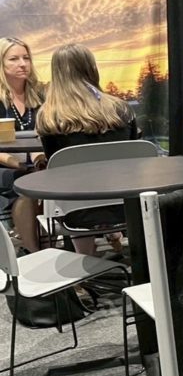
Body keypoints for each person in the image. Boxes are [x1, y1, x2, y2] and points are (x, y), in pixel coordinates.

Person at [35, 43, 140, 255]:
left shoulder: (49, 117)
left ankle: (84, 261)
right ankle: (114, 235)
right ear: (91, 68)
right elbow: (135, 161)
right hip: (127, 206)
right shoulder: (122, 109)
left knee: (72, 187)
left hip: (75, 213)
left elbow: (55, 169)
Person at [0, 36, 46, 252]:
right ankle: (33, 251)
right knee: (25, 183)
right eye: (14, 59)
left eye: (26, 58)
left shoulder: (41, 94)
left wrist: (38, 161)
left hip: (36, 161)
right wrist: (19, 164)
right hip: (5, 164)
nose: (22, 64)